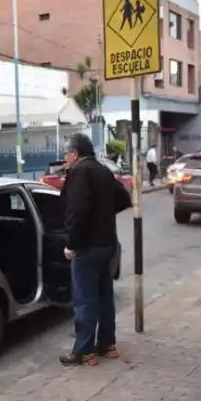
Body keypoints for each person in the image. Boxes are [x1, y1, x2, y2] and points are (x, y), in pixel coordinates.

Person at [59, 133, 131, 367]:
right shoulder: (103, 170)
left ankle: (85, 350)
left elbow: (76, 212)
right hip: (108, 243)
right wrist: (104, 214)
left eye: (66, 154)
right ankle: (107, 345)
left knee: (84, 300)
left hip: (87, 246)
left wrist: (71, 243)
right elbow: (123, 198)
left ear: (76, 154)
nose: (65, 158)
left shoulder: (79, 172)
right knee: (104, 296)